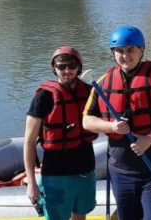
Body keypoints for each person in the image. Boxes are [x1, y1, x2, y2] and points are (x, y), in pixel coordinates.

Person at [83, 26, 151, 220]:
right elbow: (87, 121)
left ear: (141, 50)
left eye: (130, 50)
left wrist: (149, 139)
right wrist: (111, 127)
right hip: (120, 172)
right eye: (119, 51)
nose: (125, 56)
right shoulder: (103, 82)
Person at [24, 46, 97, 220]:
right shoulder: (44, 97)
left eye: (72, 66)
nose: (67, 70)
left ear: (79, 67)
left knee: (81, 215)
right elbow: (29, 141)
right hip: (55, 172)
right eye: (61, 66)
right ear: (54, 68)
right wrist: (31, 183)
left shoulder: (89, 92)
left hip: (85, 168)